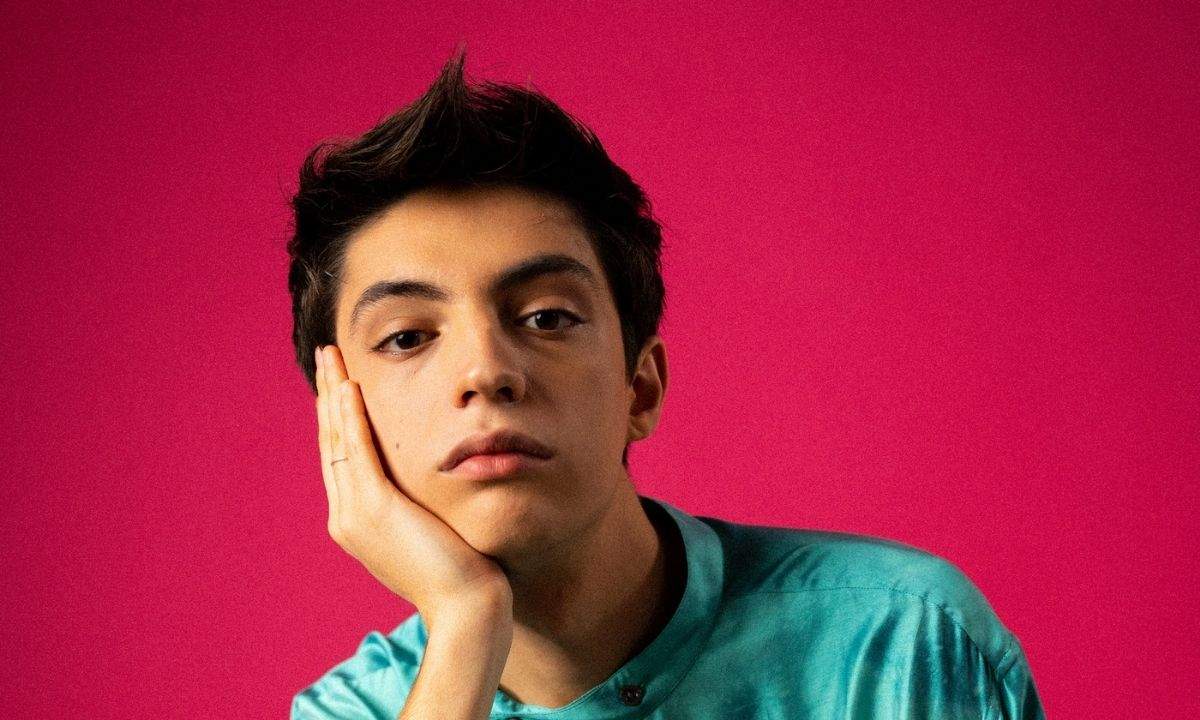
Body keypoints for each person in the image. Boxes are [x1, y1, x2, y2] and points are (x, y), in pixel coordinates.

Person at [286, 48, 1045, 720]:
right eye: (408, 337)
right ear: (339, 424)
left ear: (640, 389)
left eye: (547, 318)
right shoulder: (354, 711)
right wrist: (465, 622)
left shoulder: (905, 641)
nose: (486, 372)